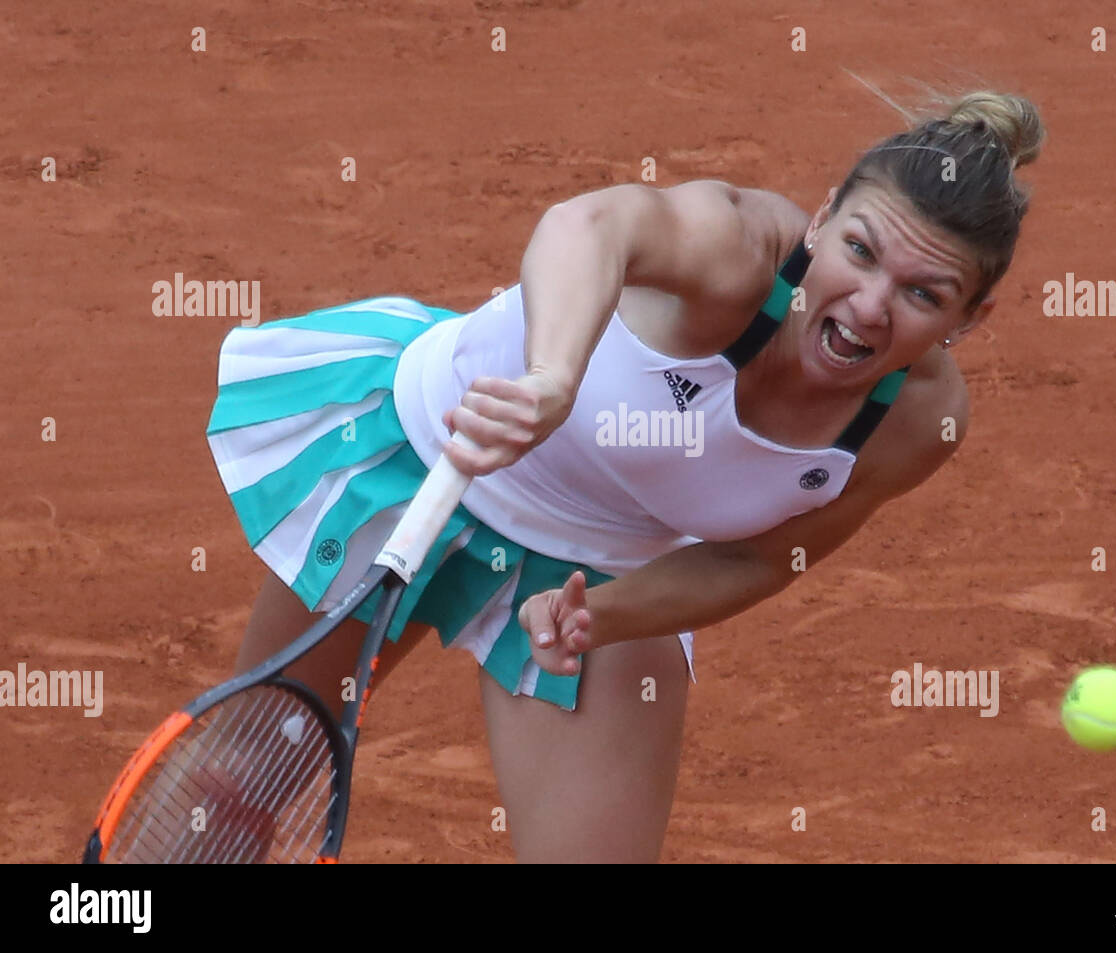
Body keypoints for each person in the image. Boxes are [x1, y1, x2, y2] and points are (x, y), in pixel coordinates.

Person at [205, 90, 1044, 862]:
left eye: (923, 295)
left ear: (971, 320)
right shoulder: (737, 248)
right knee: (242, 780)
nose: (869, 304)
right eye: (859, 251)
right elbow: (588, 227)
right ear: (821, 222)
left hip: (598, 565)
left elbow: (754, 560)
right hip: (436, 454)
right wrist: (551, 379)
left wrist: (595, 617)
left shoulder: (915, 425)